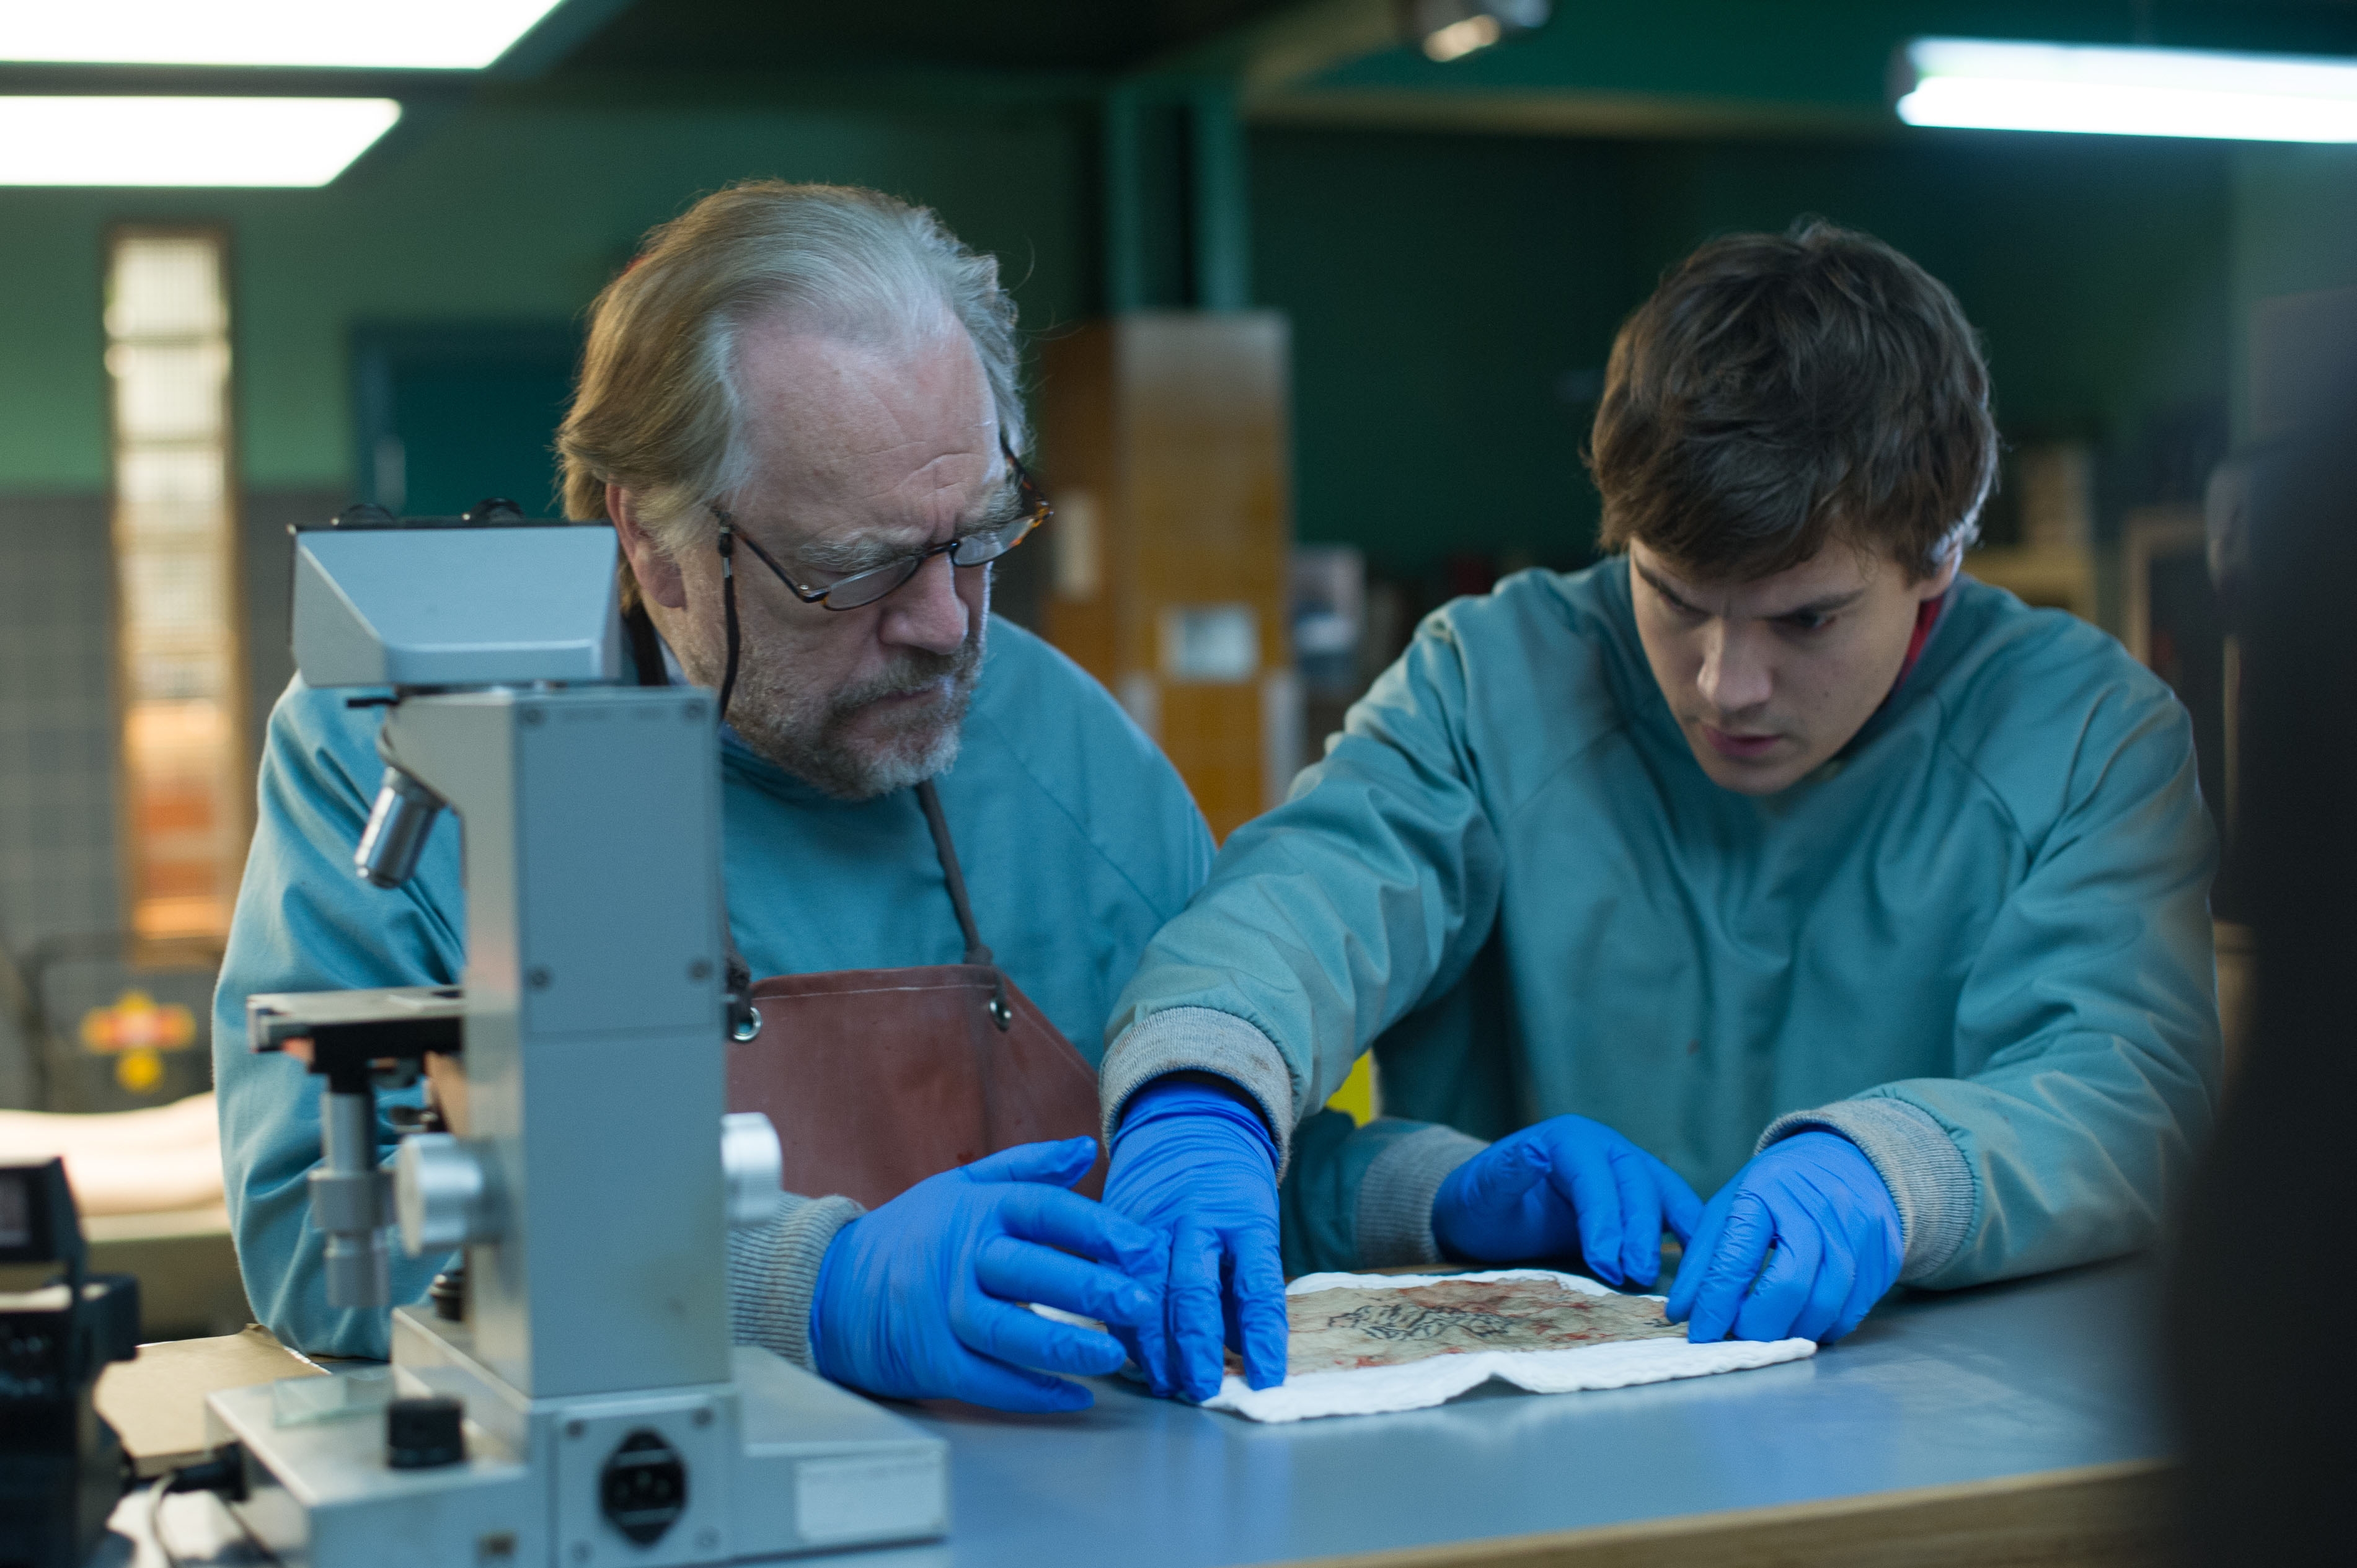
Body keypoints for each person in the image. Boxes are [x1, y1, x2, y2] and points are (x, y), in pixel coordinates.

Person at [1098, 221, 2222, 1401]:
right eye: (1674, 598)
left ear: (1939, 552)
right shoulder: (1489, 680)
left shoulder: (2087, 732)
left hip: (1940, 1422)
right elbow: (1302, 899)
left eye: (1805, 619)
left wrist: (1902, 1175)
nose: (1724, 685)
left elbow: (2128, 1088)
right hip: (1525, 1435)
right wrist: (1197, 1095)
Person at [214, 182, 1216, 1412]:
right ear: (653, 542)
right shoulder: (419, 749)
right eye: (855, 571)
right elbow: (322, 1239)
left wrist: (1396, 1191)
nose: (945, 626)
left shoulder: (1062, 744)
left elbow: (1215, 1158)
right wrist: (798, 1286)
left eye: (976, 541)